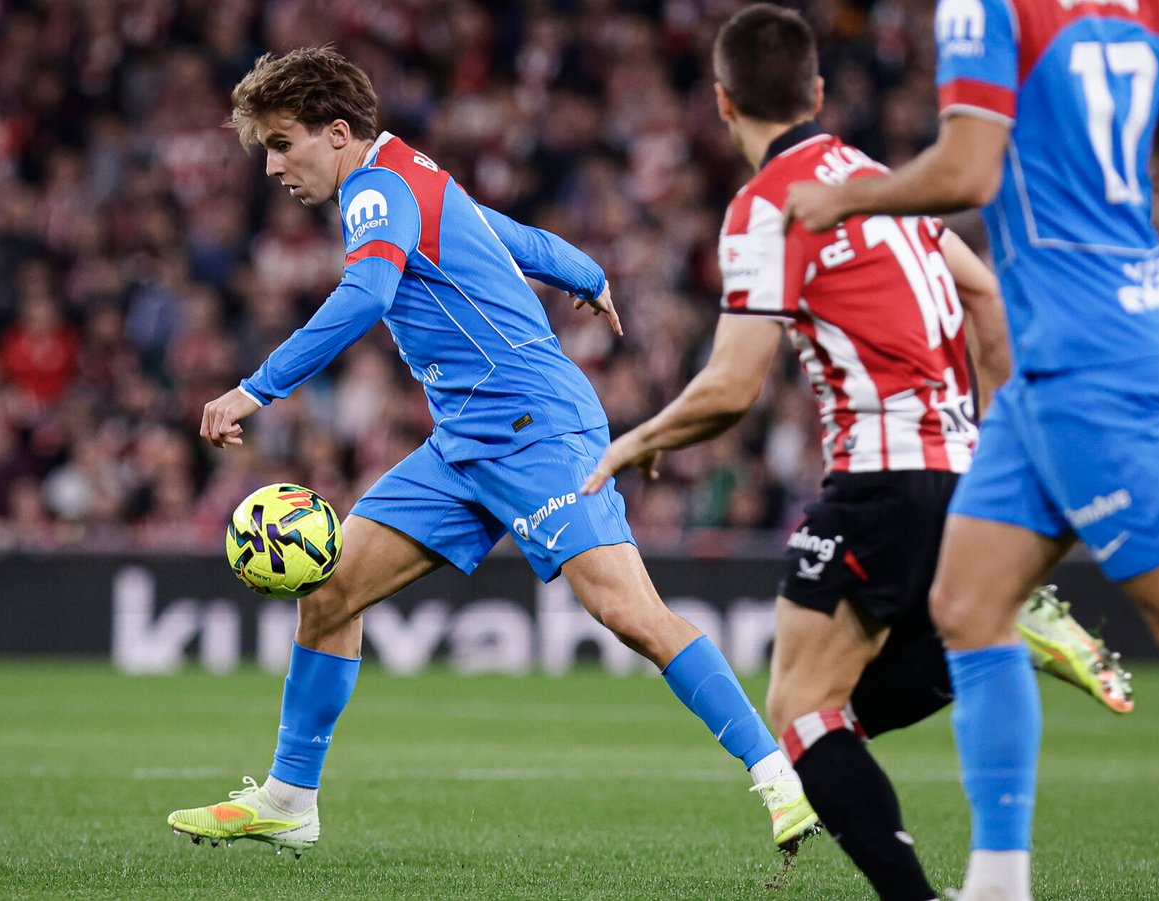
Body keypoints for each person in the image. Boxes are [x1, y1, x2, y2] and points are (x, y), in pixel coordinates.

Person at [781, 0, 1159, 898]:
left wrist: (847, 195)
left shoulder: (986, 7)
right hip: (1074, 354)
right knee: (969, 603)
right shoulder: (1152, 3)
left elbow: (968, 166)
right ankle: (997, 885)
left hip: (1082, 360)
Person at [165, 46, 817, 859]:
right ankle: (290, 799)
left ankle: (779, 775)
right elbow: (496, 231)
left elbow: (366, 294)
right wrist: (583, 268)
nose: (272, 166)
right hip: (465, 442)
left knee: (629, 614)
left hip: (537, 428)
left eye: (281, 142)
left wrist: (255, 389)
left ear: (337, 133)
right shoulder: (407, 171)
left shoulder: (378, 188)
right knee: (329, 594)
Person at [583, 7, 1130, 899]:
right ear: (819, 93)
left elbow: (730, 387)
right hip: (953, 472)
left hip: (881, 479)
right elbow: (985, 292)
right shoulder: (878, 179)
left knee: (798, 710)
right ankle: (1000, 630)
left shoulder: (768, 206)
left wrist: (633, 441)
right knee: (830, 712)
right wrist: (996, 445)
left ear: (721, 102)